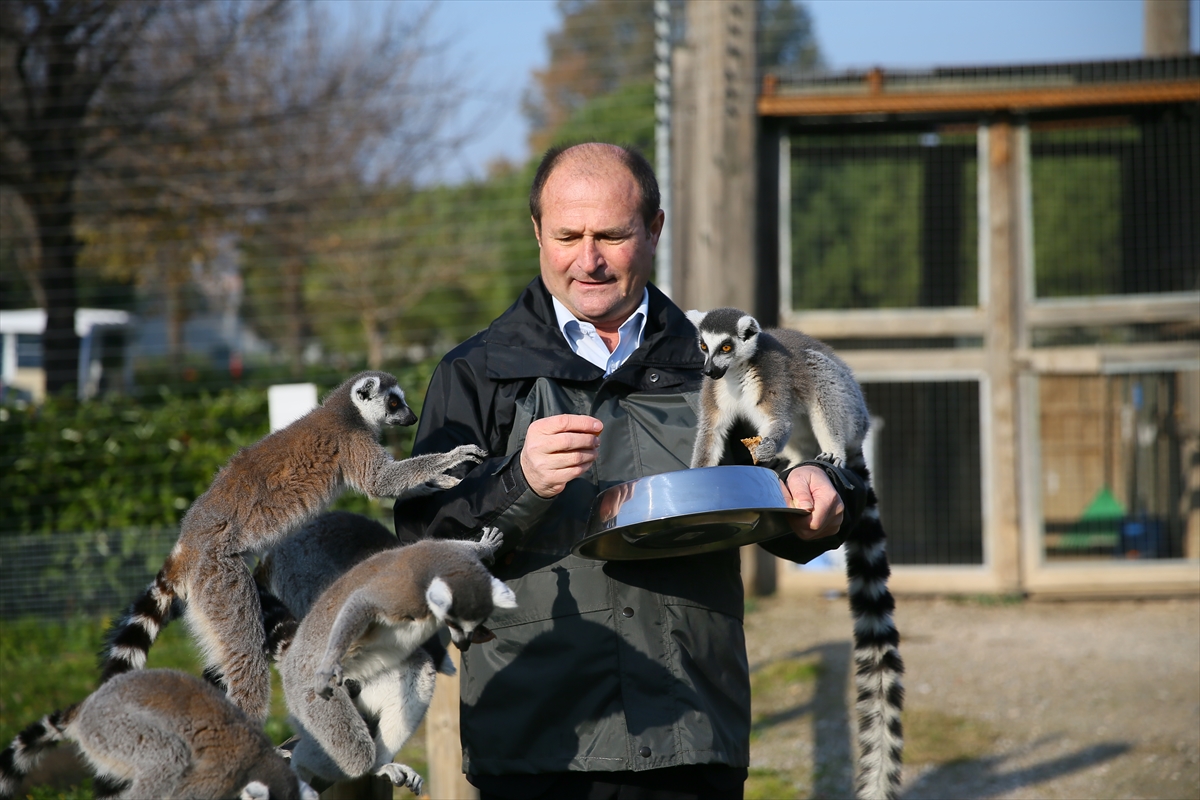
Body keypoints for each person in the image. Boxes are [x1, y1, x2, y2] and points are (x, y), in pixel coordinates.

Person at [393, 143, 864, 800]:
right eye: (567, 236)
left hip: (691, 731)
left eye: (611, 235)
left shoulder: (724, 361)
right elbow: (418, 546)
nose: (587, 260)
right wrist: (516, 482)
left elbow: (799, 485)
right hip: (535, 745)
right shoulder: (478, 374)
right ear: (536, 232)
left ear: (654, 230)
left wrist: (823, 491)